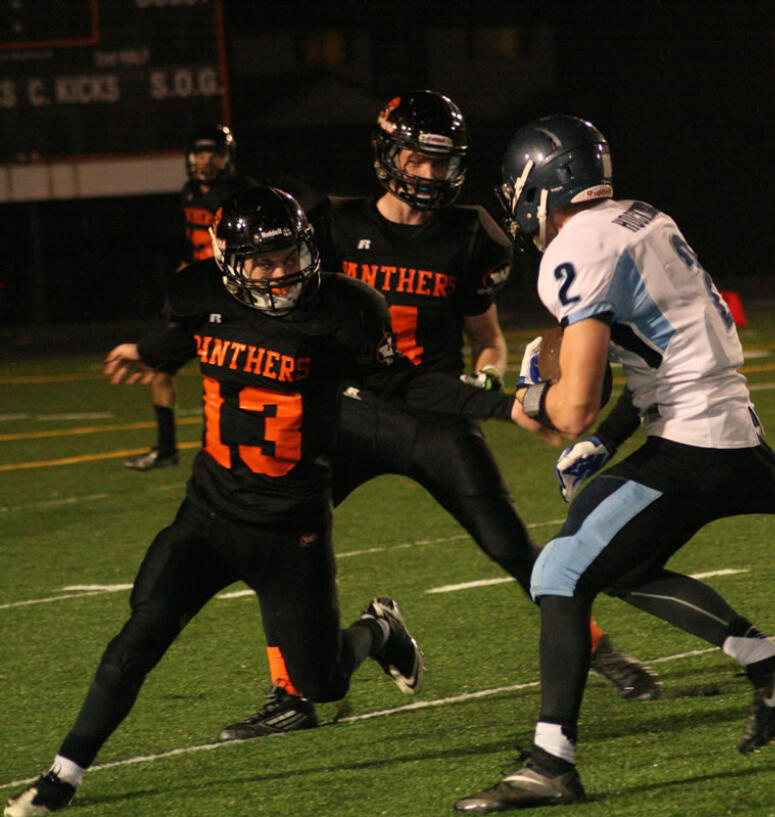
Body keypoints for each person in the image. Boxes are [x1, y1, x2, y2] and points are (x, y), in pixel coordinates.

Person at [4, 186, 554, 817]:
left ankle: (378, 630)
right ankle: (61, 778)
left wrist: (504, 405)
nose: (279, 272)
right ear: (228, 260)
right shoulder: (201, 293)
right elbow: (182, 339)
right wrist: (145, 352)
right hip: (208, 517)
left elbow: (401, 383)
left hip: (292, 531)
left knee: (322, 684)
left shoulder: (345, 309)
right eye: (261, 262)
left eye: (287, 255)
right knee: (140, 636)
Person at [217, 92, 660, 743]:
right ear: (387, 153)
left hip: (433, 415)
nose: (429, 174)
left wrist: (485, 372)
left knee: (512, 546)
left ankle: (600, 651)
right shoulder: (332, 227)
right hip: (344, 413)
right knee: (274, 537)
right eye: (417, 158)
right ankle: (290, 690)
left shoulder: (473, 235)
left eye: (442, 161)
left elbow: (488, 336)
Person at [454, 115, 775, 813]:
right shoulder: (641, 217)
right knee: (615, 560)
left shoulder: (577, 246)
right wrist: (603, 430)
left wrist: (531, 395)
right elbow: (654, 349)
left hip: (693, 443)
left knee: (558, 571)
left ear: (538, 182)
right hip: (728, 431)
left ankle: (550, 764)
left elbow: (574, 408)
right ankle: (769, 665)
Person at [125, 125, 253, 471]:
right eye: (200, 152)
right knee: (159, 366)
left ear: (227, 158)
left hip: (226, 296)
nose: (205, 159)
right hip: (196, 292)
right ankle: (166, 449)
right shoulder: (189, 192)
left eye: (213, 152)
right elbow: (191, 239)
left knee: (228, 373)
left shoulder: (240, 193)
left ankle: (234, 450)